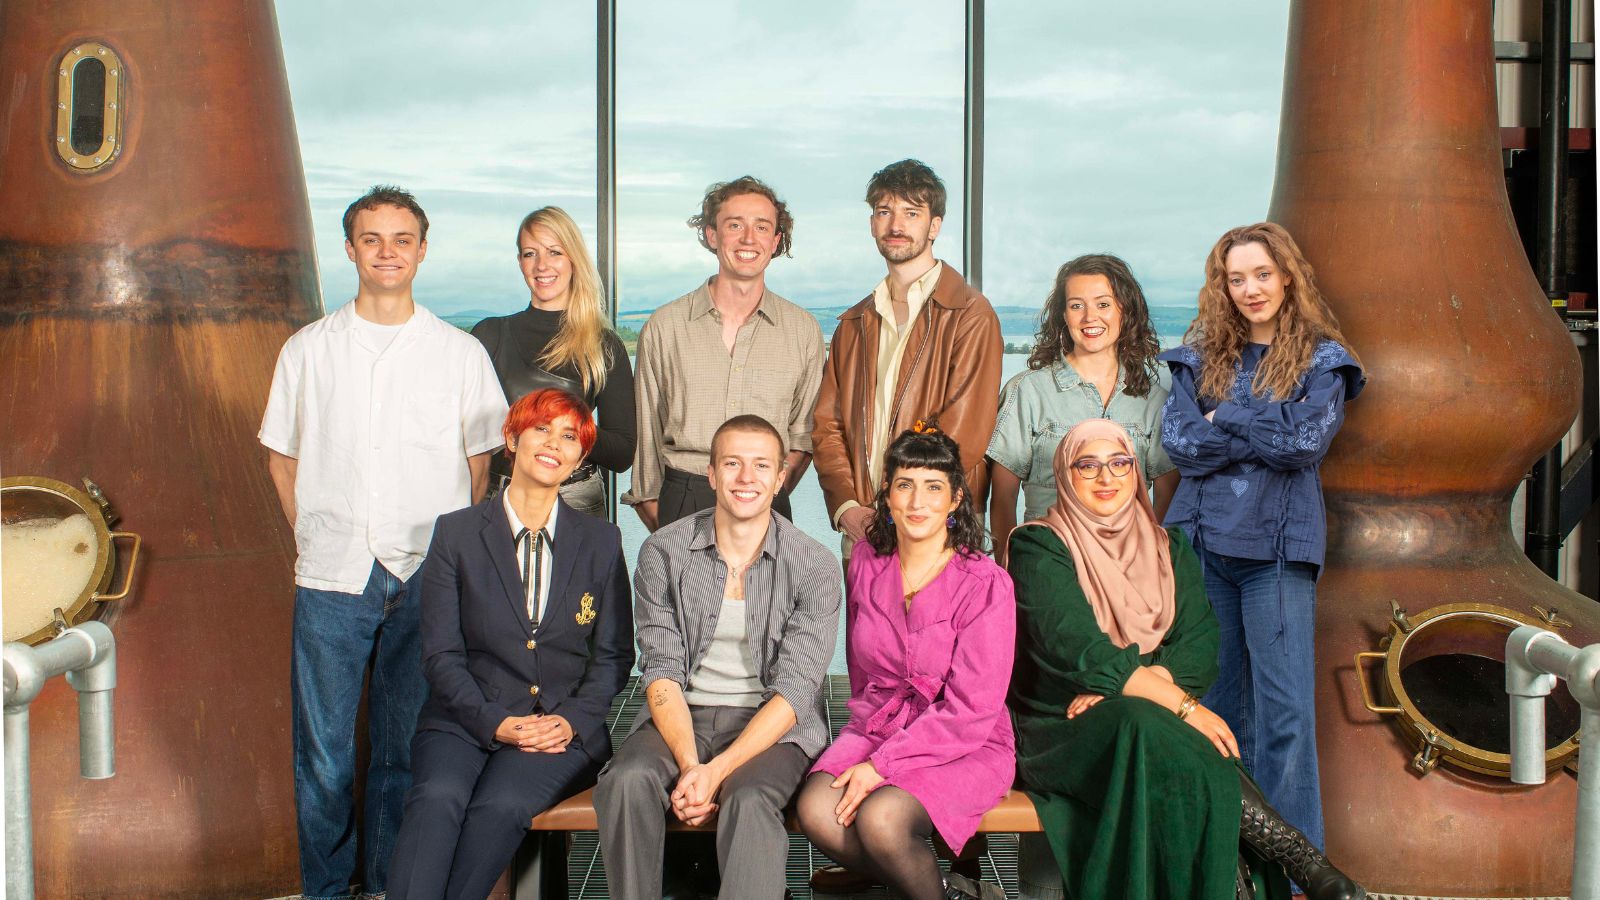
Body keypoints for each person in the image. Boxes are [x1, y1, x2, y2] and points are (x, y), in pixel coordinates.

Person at [259, 185, 509, 900]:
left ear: (423, 251)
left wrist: (453, 559)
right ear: (350, 249)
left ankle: (392, 888)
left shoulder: (457, 354)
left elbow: (479, 461)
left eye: (403, 239)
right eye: (373, 238)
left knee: (406, 753)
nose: (388, 252)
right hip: (333, 576)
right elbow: (282, 457)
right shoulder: (307, 350)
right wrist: (312, 535)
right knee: (324, 761)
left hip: (428, 575)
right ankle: (329, 892)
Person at [1008, 419, 1365, 900]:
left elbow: (1200, 644)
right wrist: (1180, 704)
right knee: (1149, 722)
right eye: (1087, 466)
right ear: (1065, 477)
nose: (1106, 478)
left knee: (1144, 719)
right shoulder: (1038, 545)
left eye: (1119, 463)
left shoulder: (1170, 547)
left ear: (1136, 473)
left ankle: (1252, 879)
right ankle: (1298, 856)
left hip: (1146, 720)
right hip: (1062, 726)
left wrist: (1141, 684)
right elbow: (1074, 648)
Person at [1158, 222, 1365, 861]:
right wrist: (1261, 429)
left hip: (1276, 553)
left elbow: (1305, 445)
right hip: (1201, 546)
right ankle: (1226, 865)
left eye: (1262, 275)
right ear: (1221, 286)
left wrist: (1233, 415)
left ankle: (1297, 872)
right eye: (1236, 277)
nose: (1250, 289)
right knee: (1213, 713)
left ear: (1287, 277)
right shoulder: (1200, 351)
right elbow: (1183, 445)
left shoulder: (1322, 359)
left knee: (1284, 719)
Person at [387, 389, 634, 900]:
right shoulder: (455, 534)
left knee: (498, 806)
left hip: (558, 728)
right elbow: (440, 655)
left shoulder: (601, 541)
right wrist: (494, 722)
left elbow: (613, 657)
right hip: (462, 718)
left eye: (570, 437)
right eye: (541, 428)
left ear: (581, 457)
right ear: (511, 437)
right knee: (437, 797)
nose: (553, 444)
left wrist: (570, 721)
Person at [596, 415, 841, 900]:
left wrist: (717, 771)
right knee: (626, 782)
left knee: (749, 800)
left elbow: (795, 693)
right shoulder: (663, 551)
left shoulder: (815, 565)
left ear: (779, 478)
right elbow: (661, 671)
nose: (746, 478)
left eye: (760, 466)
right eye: (732, 463)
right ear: (711, 474)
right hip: (681, 715)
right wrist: (692, 766)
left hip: (773, 725)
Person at [797, 425, 1014, 900]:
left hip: (965, 741)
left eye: (933, 487)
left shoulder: (986, 582)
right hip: (880, 725)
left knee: (882, 818)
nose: (918, 502)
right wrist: (869, 744)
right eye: (905, 485)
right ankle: (942, 890)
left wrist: (882, 765)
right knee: (817, 810)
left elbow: (972, 710)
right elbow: (861, 671)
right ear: (887, 498)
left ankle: (918, 883)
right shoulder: (864, 565)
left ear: (956, 498)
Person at [812, 159, 1003, 565]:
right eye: (885, 212)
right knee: (865, 632)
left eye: (911, 213)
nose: (896, 225)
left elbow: (964, 434)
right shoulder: (853, 323)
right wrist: (847, 507)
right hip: (863, 531)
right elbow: (827, 426)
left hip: (938, 529)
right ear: (872, 224)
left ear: (934, 226)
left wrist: (905, 506)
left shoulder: (969, 313)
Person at [624, 176, 824, 531]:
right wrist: (661, 517)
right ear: (712, 235)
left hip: (767, 500)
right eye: (735, 225)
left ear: (775, 241)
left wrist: (767, 493)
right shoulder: (664, 326)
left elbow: (802, 435)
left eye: (762, 227)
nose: (749, 239)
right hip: (684, 495)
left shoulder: (803, 331)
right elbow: (647, 432)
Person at [987, 253, 1178, 569]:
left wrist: (1152, 566)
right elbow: (1003, 497)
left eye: (1103, 304)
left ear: (1125, 311)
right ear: (1063, 315)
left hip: (1130, 569)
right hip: (1048, 565)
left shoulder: (1153, 400)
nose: (1090, 317)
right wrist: (1009, 571)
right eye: (1077, 305)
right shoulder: (1028, 391)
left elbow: (1167, 498)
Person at [471, 206, 634, 518]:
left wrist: (564, 425)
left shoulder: (603, 344)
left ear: (573, 259)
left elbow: (622, 453)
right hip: (500, 504)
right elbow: (467, 437)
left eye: (554, 252)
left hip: (577, 505)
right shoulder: (490, 334)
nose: (541, 265)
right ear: (520, 262)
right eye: (530, 253)